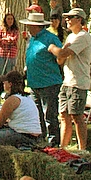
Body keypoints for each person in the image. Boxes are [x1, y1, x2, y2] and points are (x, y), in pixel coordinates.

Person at [0, 71, 42, 180]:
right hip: (33, 135)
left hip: (23, 135)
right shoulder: (27, 98)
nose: (3, 84)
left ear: (9, 84)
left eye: (4, 82)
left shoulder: (12, 100)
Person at [50, 8, 91, 150]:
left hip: (78, 83)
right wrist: (60, 53)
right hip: (67, 82)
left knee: (77, 117)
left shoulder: (83, 36)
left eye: (70, 17)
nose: (67, 20)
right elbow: (60, 61)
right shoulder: (70, 37)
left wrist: (52, 48)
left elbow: (62, 53)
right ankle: (63, 148)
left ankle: (83, 150)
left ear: (79, 20)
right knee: (63, 116)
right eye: (66, 18)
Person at [23, 12, 63, 146]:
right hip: (34, 82)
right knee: (37, 114)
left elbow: (61, 57)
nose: (28, 27)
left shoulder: (50, 38)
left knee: (50, 115)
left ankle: (53, 142)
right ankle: (40, 139)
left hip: (48, 82)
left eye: (30, 25)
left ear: (37, 26)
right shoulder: (32, 39)